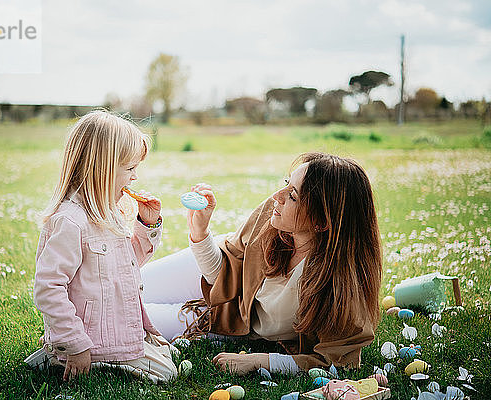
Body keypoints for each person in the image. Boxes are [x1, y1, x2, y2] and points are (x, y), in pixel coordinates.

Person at [141, 152, 382, 375]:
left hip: (231, 317)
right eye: (286, 183)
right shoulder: (271, 216)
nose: (277, 196)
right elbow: (227, 274)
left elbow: (338, 361)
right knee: (130, 285)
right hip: (209, 266)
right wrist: (200, 233)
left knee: (133, 319)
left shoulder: (341, 287)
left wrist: (261, 361)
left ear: (322, 221)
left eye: (293, 195)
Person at [26, 111, 178, 383]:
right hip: (90, 338)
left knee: (166, 356)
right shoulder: (71, 222)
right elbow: (48, 287)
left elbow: (128, 266)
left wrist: (147, 224)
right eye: (130, 169)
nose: (134, 178)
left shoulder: (110, 213)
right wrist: (75, 343)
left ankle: (60, 352)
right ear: (103, 169)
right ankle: (66, 353)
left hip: (113, 328)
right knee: (166, 373)